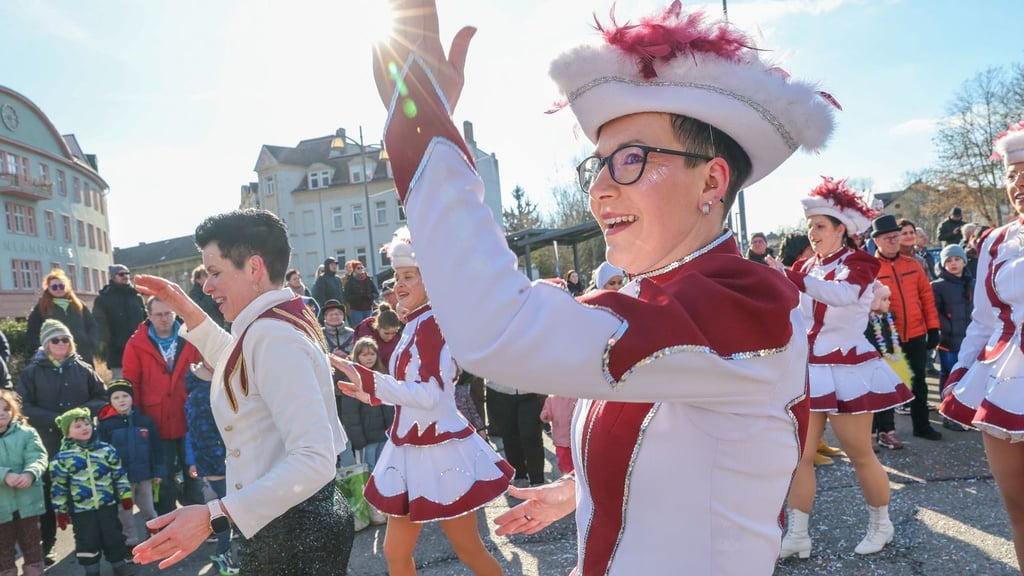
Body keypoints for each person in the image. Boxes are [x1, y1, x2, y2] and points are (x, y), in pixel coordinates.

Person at [369, 1, 833, 571]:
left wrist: (420, 121)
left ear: (712, 179)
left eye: (631, 160)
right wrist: (580, 488)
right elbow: (687, 442)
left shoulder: (744, 302)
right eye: (599, 166)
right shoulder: (661, 297)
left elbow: (499, 331)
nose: (600, 191)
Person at [131, 209, 352, 574]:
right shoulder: (277, 319)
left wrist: (214, 515)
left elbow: (315, 458)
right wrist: (188, 311)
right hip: (291, 522)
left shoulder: (274, 336)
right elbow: (242, 365)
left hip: (292, 533)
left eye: (215, 273)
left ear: (254, 268)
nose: (206, 286)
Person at [332, 230, 512, 576]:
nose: (398, 284)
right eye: (397, 277)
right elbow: (408, 389)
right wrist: (370, 392)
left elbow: (430, 395)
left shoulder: (432, 326)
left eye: (408, 277)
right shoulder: (415, 324)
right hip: (409, 449)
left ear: (431, 280)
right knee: (395, 553)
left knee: (468, 548)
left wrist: (373, 382)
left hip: (440, 449)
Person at [767, 177, 912, 558]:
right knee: (800, 456)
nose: (811, 233)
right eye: (809, 226)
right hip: (809, 369)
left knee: (859, 452)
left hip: (847, 367)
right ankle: (797, 535)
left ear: (841, 229)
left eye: (819, 226)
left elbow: (844, 296)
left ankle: (882, 525)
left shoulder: (861, 262)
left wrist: (790, 276)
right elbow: (795, 312)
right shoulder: (804, 264)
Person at [940, 120, 1024, 570]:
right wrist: (961, 372)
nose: (1019, 183)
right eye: (1013, 174)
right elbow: (983, 319)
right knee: (1018, 511)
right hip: (1006, 379)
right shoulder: (995, 241)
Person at [15, 319, 107, 566]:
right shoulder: (32, 371)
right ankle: (50, 542)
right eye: (55, 339)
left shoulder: (83, 367)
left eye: (65, 339)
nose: (61, 343)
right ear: (46, 343)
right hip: (47, 442)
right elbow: (22, 404)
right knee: (48, 494)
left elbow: (102, 396)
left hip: (81, 445)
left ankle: (86, 544)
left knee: (80, 491)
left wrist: (79, 416)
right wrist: (55, 420)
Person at [121, 297, 204, 514]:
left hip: (189, 417)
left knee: (194, 470)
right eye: (158, 314)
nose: (164, 319)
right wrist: (136, 415)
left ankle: (197, 515)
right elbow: (132, 381)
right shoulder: (136, 343)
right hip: (155, 420)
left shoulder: (191, 337)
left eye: (168, 313)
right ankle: (167, 518)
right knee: (162, 473)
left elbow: (204, 371)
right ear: (148, 316)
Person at [872, 214, 944, 441]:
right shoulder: (870, 268)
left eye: (896, 236)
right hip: (885, 336)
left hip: (915, 333)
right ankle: (884, 431)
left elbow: (926, 299)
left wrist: (933, 328)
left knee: (918, 383)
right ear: (877, 241)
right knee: (884, 384)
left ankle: (921, 426)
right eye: (887, 237)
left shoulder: (913, 265)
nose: (893, 241)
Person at [50, 407, 134, 576]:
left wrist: (125, 494)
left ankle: (119, 565)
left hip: (107, 504)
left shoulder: (106, 450)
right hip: (82, 510)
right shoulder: (62, 458)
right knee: (86, 540)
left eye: (87, 423)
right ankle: (92, 570)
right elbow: (58, 486)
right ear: (67, 433)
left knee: (113, 535)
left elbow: (119, 473)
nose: (84, 428)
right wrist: (61, 511)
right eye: (78, 426)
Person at [182, 361, 239, 575]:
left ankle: (226, 552)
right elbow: (204, 435)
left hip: (216, 461)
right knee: (224, 510)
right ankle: (222, 555)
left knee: (226, 508)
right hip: (218, 463)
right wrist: (221, 461)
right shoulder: (203, 396)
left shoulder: (201, 393)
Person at [96, 379, 164, 548]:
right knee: (125, 512)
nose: (121, 400)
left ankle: (155, 537)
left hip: (145, 476)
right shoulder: (105, 426)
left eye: (125, 395)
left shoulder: (145, 422)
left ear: (132, 398)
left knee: (148, 509)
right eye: (116, 397)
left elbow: (157, 448)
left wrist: (158, 471)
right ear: (110, 402)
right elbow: (101, 454)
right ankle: (130, 541)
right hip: (121, 480)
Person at [0, 389, 48, 576]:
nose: (1, 413)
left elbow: (38, 456)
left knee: (32, 544)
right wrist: (5, 475)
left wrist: (30, 473)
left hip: (28, 503)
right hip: (2, 507)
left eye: (6, 409)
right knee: (3, 548)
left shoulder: (26, 433)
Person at [25, 269, 99, 366]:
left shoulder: (78, 305)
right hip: (57, 358)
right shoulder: (42, 307)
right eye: (54, 287)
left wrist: (90, 342)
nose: (58, 289)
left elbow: (92, 325)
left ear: (67, 287)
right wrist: (45, 350)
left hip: (84, 355)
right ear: (48, 288)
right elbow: (33, 332)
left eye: (61, 286)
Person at [343, 337, 395, 471]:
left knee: (384, 468)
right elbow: (350, 415)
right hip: (366, 440)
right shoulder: (352, 379)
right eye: (364, 355)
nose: (369, 358)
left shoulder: (381, 376)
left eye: (372, 354)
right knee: (368, 470)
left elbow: (389, 409)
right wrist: (358, 441)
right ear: (357, 356)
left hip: (384, 436)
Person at [93, 265, 147, 379]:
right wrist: (103, 345)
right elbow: (100, 324)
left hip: (140, 348)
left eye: (127, 273)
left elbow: (145, 319)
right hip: (118, 352)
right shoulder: (104, 298)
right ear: (113, 277)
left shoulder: (136, 295)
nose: (126, 277)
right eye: (121, 274)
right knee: (122, 386)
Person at [352, 303, 404, 369]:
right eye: (386, 333)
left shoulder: (398, 338)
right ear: (378, 327)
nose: (390, 337)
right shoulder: (364, 333)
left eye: (394, 333)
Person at [540, 394, 577, 475]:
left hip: (576, 439)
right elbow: (547, 412)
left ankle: (577, 478)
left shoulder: (577, 397)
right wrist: (545, 415)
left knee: (577, 461)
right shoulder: (551, 399)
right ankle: (568, 478)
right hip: (561, 439)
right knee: (564, 461)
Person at [187, 265, 226, 330]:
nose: (208, 278)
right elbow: (198, 308)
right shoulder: (194, 294)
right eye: (205, 276)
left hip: (219, 326)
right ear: (198, 280)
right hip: (207, 328)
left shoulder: (213, 289)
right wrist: (211, 296)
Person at [344, 262, 380, 326]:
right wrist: (357, 297)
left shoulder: (368, 280)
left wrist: (370, 296)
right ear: (354, 269)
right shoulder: (350, 281)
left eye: (362, 267)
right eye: (358, 268)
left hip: (368, 309)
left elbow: (376, 293)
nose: (360, 269)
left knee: (369, 328)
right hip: (356, 310)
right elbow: (346, 296)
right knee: (359, 328)